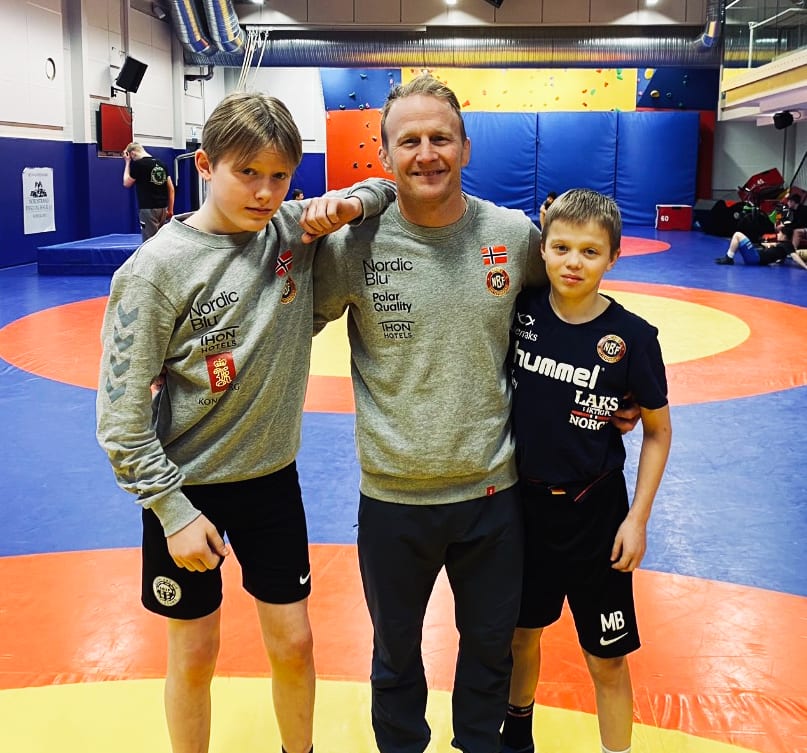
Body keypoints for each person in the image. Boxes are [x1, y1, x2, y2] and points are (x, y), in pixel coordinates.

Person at [313, 75, 637, 753]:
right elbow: (286, 324)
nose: (426, 153)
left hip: (493, 495)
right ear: (384, 154)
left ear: (465, 146)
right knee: (395, 655)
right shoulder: (354, 245)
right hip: (393, 497)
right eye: (409, 141)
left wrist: (612, 387)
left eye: (440, 137)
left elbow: (567, 314)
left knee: (490, 650)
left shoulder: (511, 236)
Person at [97, 92, 395, 753]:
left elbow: (386, 190)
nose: (264, 192)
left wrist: (348, 204)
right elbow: (120, 420)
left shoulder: (290, 231)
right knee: (194, 651)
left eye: (280, 176)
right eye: (247, 173)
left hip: (270, 481)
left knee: (295, 642)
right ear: (205, 165)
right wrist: (172, 511)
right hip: (186, 488)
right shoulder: (155, 271)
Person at [501, 188, 672, 753]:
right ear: (542, 250)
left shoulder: (634, 339)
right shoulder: (519, 312)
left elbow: (657, 431)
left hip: (596, 515)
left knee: (607, 659)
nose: (574, 262)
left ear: (613, 257)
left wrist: (637, 520)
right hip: (522, 510)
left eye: (590, 251)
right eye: (562, 248)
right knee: (521, 637)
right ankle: (516, 738)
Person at [122, 141, 176, 241]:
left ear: (132, 153)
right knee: (160, 239)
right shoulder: (161, 164)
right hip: (163, 208)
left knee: (149, 241)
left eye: (131, 157)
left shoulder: (139, 165)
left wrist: (127, 162)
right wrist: (170, 209)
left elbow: (126, 183)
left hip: (148, 209)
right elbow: (171, 188)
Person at [714, 222, 807, 269]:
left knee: (737, 234)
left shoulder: (788, 245)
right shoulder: (783, 245)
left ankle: (729, 258)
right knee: (739, 239)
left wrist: (805, 267)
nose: (778, 234)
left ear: (785, 236)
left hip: (755, 258)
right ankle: (728, 257)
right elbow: (780, 253)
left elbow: (795, 256)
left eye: (780, 233)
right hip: (755, 257)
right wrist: (778, 261)